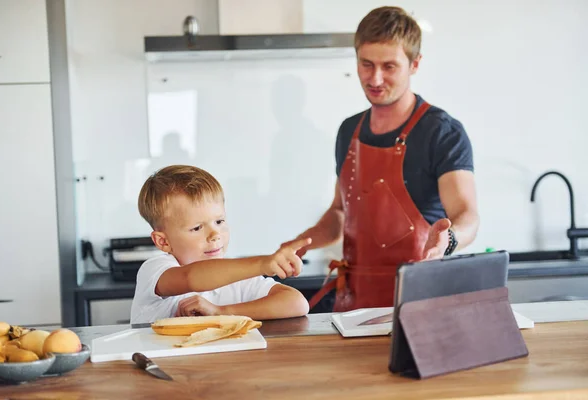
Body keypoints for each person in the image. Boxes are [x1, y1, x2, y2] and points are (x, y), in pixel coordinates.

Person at [285, 6, 479, 312]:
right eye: (366, 64)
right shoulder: (350, 130)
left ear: (415, 64)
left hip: (418, 300)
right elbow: (339, 212)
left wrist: (448, 240)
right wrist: (300, 243)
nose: (375, 78)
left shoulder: (442, 132)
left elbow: (467, 215)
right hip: (353, 303)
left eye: (389, 66)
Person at [130, 165, 310, 324]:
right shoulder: (155, 270)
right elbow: (191, 277)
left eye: (219, 221)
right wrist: (262, 264)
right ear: (163, 241)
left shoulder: (237, 277)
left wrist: (221, 312)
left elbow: (297, 303)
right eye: (197, 228)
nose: (215, 235)